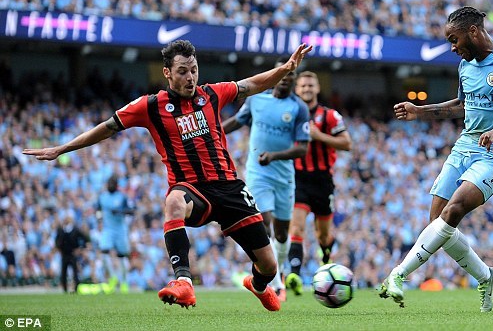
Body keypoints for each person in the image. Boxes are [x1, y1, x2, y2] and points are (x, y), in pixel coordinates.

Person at [23, 40, 313, 311]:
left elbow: (253, 84)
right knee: (173, 201)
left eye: (194, 70)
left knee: (269, 266)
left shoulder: (213, 94)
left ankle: (258, 284)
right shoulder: (150, 106)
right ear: (167, 72)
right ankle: (184, 281)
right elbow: (107, 127)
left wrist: (286, 69)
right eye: (183, 71)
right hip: (192, 190)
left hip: (230, 188)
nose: (191, 78)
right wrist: (63, 148)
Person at [380, 6, 493, 312]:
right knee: (436, 221)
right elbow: (463, 106)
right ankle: (485, 276)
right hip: (464, 146)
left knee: (452, 213)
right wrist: (420, 111)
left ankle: (398, 275)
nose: (452, 47)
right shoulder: (465, 66)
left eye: (454, 39)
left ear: (473, 32)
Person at [222, 59, 310, 301]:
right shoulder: (256, 100)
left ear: (293, 81)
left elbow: (303, 149)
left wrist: (274, 156)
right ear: (275, 76)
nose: (285, 79)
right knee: (265, 223)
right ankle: (277, 282)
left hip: (284, 176)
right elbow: (237, 122)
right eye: (282, 75)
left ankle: (277, 274)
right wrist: (213, 132)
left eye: (290, 76)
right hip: (258, 173)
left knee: (282, 234)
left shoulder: (298, 108)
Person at [285, 71, 352, 296]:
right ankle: (294, 273)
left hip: (323, 180)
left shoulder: (330, 115)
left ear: (317, 88)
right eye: (303, 86)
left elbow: (346, 143)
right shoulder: (289, 114)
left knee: (323, 235)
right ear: (296, 89)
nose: (306, 89)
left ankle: (325, 259)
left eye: (310, 85)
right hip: (299, 178)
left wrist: (319, 136)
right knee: (296, 227)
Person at [97, 174, 134, 293]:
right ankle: (113, 277)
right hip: (108, 229)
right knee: (103, 251)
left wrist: (120, 211)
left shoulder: (122, 197)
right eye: (109, 184)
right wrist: (99, 219)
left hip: (120, 229)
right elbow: (98, 209)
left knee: (121, 255)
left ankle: (124, 282)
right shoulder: (102, 197)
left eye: (112, 184)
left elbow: (131, 211)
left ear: (116, 186)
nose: (110, 186)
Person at [55, 215, 90, 293]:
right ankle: (65, 288)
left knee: (75, 272)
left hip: (72, 254)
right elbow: (57, 241)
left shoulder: (75, 230)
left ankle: (76, 288)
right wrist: (59, 249)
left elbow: (85, 238)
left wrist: (80, 248)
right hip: (64, 254)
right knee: (63, 272)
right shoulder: (61, 230)